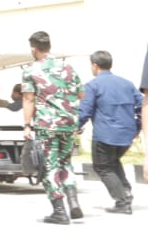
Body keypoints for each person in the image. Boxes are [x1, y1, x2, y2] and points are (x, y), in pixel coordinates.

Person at [21, 31, 85, 224]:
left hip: (47, 125)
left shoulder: (31, 70)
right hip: (69, 124)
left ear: (33, 48)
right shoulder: (68, 67)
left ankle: (59, 210)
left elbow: (28, 99)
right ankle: (73, 202)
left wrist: (26, 125)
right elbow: (81, 94)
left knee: (49, 166)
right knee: (65, 163)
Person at [77, 50, 142, 215]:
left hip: (106, 134)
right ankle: (125, 191)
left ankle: (122, 202)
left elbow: (85, 110)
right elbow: (142, 104)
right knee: (113, 162)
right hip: (127, 134)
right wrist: (138, 126)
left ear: (94, 65)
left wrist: (76, 126)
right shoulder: (127, 83)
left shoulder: (93, 85)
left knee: (103, 167)